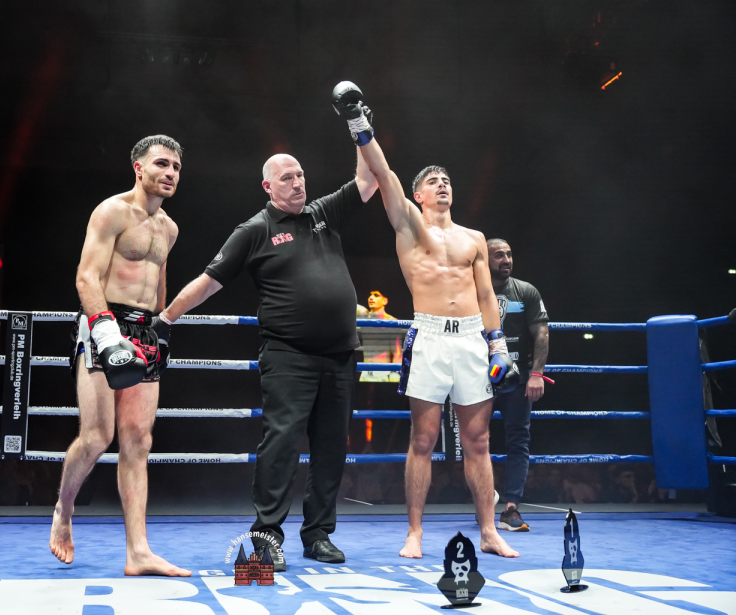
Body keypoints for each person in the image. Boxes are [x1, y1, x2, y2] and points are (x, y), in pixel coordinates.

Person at [159, 147, 379, 572]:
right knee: (280, 445)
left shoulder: (323, 213)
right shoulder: (255, 230)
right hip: (287, 354)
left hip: (340, 356)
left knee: (332, 448)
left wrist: (358, 130)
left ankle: (318, 535)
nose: (297, 183)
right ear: (267, 186)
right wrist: (166, 318)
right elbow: (210, 280)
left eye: (300, 175)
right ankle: (266, 539)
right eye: (287, 178)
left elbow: (368, 180)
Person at [332, 81, 518, 558]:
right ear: (417, 194)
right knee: (423, 437)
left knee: (479, 439)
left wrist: (498, 344)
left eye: (446, 179)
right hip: (430, 336)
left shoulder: (474, 238)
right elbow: (382, 173)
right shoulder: (409, 226)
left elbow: (486, 294)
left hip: (472, 339)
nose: (442, 184)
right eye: (433, 180)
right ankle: (414, 533)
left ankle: (489, 530)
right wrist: (358, 123)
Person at [49, 135, 186, 576]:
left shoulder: (169, 228)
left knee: (139, 441)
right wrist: (105, 332)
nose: (170, 173)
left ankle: (138, 552)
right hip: (102, 321)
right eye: (161, 164)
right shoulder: (111, 211)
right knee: (96, 437)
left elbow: (158, 283)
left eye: (176, 167)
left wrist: (160, 327)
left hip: (144, 330)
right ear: (138, 168)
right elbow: (86, 277)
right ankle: (64, 509)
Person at [487, 238, 551, 532]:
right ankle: (485, 500)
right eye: (499, 255)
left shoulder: (526, 291)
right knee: (472, 441)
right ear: (484, 259)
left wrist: (537, 374)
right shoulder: (470, 292)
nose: (506, 260)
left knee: (518, 441)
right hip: (479, 377)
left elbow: (541, 333)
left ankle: (510, 509)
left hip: (518, 378)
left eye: (509, 254)